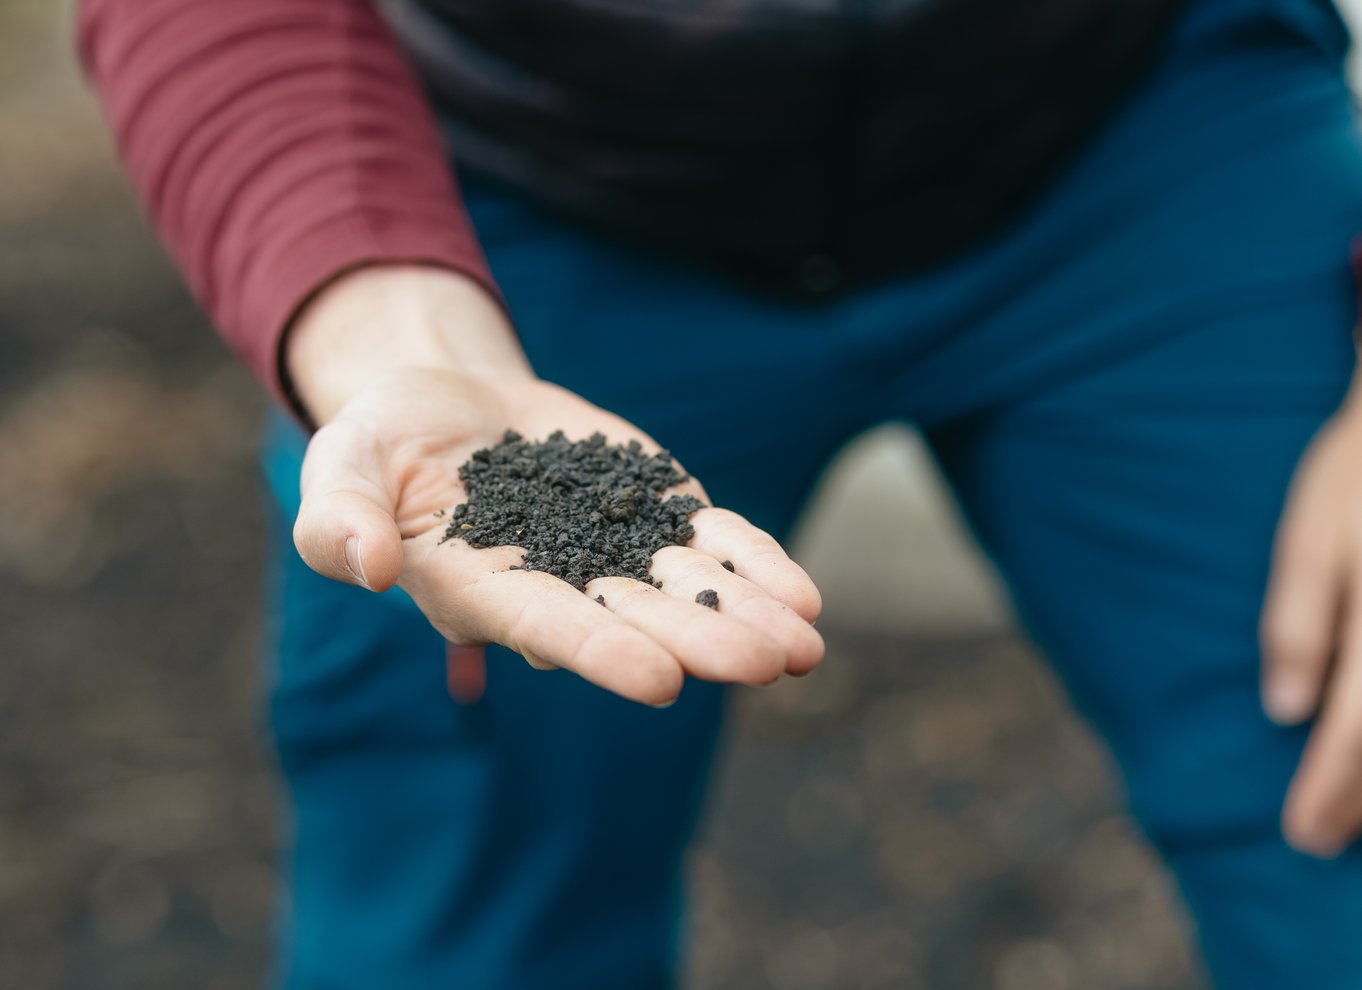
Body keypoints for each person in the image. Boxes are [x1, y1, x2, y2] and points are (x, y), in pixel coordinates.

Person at [79, 0, 1362, 986]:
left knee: (1331, 821)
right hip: (504, 181)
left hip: (1134, 124)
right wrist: (388, 327)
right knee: (464, 931)